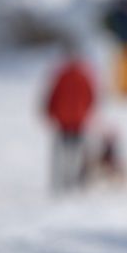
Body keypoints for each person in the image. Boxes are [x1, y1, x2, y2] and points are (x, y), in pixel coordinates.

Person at [43, 42, 97, 192]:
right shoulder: (66, 75)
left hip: (74, 121)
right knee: (65, 154)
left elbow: (91, 97)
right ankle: (63, 181)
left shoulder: (78, 76)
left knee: (74, 154)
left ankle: (71, 181)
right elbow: (52, 97)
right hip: (66, 121)